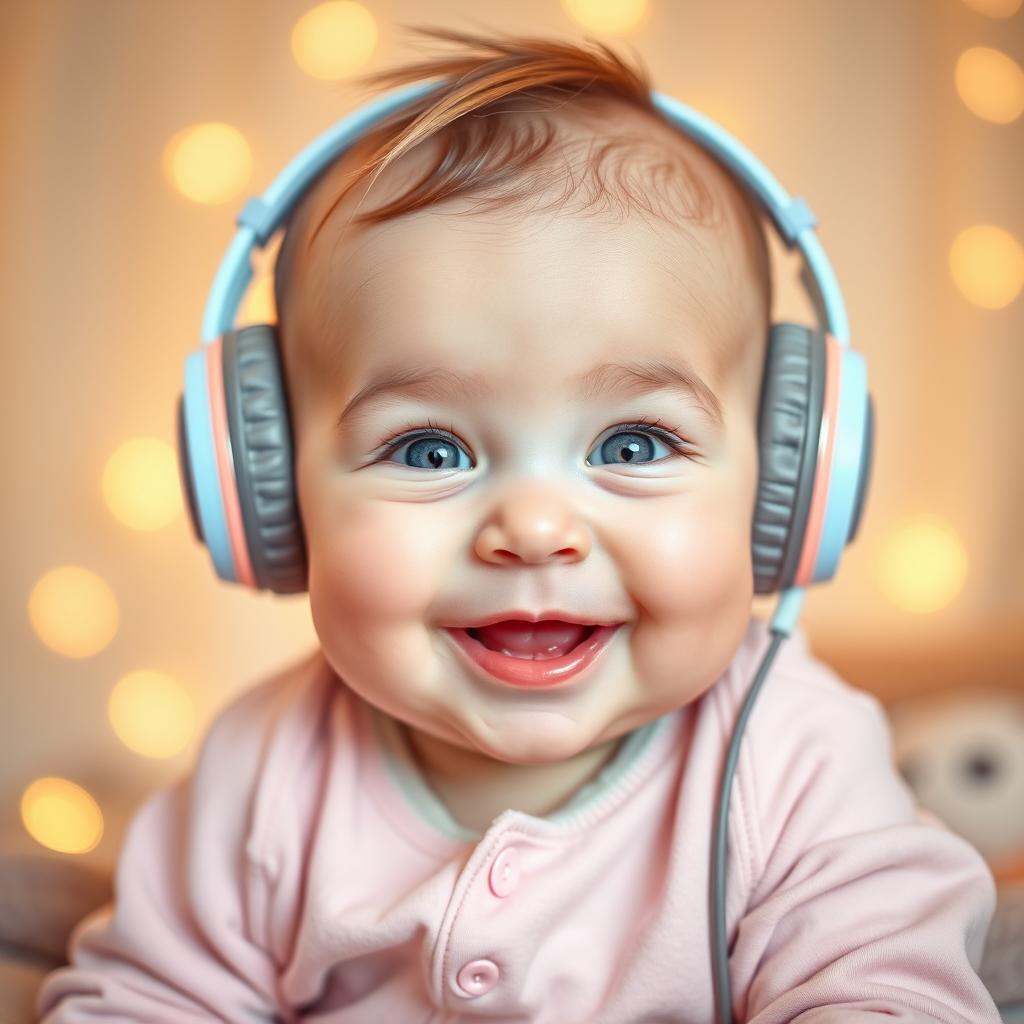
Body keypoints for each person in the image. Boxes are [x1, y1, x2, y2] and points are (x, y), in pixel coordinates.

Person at [36, 25, 1001, 1023]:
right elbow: (144, 1000)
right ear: (270, 499)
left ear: (782, 489)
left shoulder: (794, 754)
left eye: (631, 445)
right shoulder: (263, 771)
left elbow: (890, 993)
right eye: (429, 450)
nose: (535, 530)